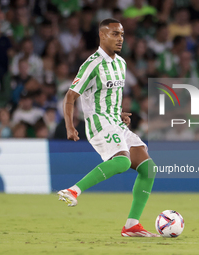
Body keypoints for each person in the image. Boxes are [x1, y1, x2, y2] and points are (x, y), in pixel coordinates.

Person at [57, 18, 159, 237]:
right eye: (114, 34)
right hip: (98, 124)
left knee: (148, 169)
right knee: (122, 161)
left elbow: (109, 95)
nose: (120, 38)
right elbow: (70, 96)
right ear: (102, 36)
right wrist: (70, 126)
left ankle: (131, 225)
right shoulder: (92, 64)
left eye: (121, 34)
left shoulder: (121, 63)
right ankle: (73, 190)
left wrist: (119, 113)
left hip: (115, 122)